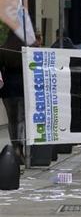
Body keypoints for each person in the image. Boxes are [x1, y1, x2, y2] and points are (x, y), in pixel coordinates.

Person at [0, 32, 26, 165]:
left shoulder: (3, 49)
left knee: (12, 119)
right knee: (21, 118)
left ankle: (14, 145)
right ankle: (20, 148)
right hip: (22, 86)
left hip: (7, 87)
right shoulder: (24, 50)